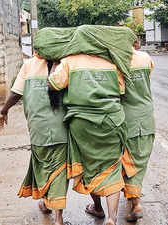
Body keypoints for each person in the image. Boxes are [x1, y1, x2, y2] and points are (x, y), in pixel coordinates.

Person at [48, 53, 127, 225]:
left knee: (91, 166)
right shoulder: (111, 61)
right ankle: (112, 218)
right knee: (112, 168)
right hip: (111, 120)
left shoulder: (69, 61)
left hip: (81, 123)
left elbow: (53, 84)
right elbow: (121, 91)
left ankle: (97, 206)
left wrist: (54, 64)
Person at [0, 53, 68, 225]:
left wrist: (4, 111)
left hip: (38, 129)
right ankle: (58, 217)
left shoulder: (29, 65)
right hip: (61, 129)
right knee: (60, 171)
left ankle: (46, 203)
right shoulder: (63, 65)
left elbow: (15, 94)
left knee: (43, 167)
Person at [118, 42, 155, 221]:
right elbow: (148, 75)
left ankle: (135, 203)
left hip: (128, 118)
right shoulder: (146, 58)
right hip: (147, 116)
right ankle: (133, 199)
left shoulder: (118, 62)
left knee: (128, 161)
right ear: (136, 43)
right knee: (140, 160)